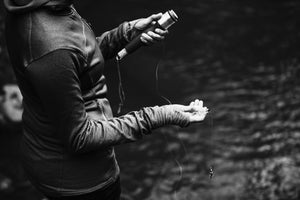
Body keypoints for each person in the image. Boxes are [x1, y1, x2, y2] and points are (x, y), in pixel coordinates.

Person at [4, 0, 208, 199]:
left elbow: (75, 59)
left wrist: (126, 33)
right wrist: (160, 115)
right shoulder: (50, 47)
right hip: (81, 183)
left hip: (45, 155)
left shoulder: (42, 6)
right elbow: (80, 137)